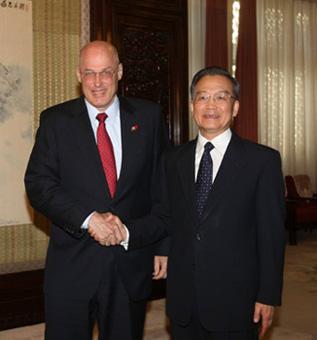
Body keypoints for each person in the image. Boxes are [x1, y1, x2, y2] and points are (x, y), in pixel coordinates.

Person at [124, 66, 286, 339]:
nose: (210, 105)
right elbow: (166, 213)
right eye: (202, 97)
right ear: (191, 106)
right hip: (184, 299)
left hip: (237, 299)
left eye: (221, 97)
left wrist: (267, 295)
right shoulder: (173, 159)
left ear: (235, 107)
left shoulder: (262, 161)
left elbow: (271, 235)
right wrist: (146, 241)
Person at [24, 40, 169, 340]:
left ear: (119, 72)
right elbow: (38, 184)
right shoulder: (55, 121)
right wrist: (90, 219)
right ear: (78, 75)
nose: (98, 82)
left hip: (130, 263)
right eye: (90, 73)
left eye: (105, 72)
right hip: (71, 267)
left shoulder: (149, 117)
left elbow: (162, 187)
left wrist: (163, 246)